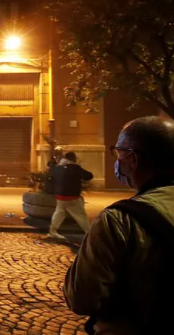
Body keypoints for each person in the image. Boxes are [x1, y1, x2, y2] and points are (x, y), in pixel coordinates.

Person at [64, 116, 174, 334]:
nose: (117, 161)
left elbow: (81, 298)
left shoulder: (118, 220)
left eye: (119, 153)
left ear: (133, 160)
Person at [47, 152, 93, 239]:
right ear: (73, 159)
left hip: (60, 195)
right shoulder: (75, 168)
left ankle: (52, 231)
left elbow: (52, 176)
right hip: (71, 196)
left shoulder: (58, 168)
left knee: (59, 213)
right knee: (80, 215)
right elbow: (89, 176)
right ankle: (90, 233)